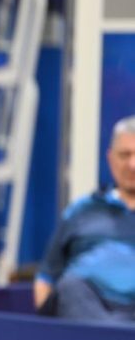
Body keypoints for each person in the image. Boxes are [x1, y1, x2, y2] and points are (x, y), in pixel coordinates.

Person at [34, 115, 135, 322]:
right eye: (125, 155)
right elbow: (46, 278)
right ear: (110, 159)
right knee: (70, 287)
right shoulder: (81, 210)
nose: (132, 164)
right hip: (85, 308)